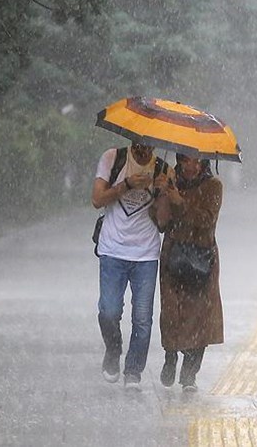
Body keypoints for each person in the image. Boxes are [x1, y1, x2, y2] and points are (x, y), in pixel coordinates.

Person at [91, 142, 171, 391]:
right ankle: (113, 349)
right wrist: (126, 185)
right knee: (109, 311)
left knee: (143, 318)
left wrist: (162, 193)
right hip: (113, 250)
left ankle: (134, 370)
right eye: (140, 143)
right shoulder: (113, 158)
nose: (145, 150)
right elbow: (97, 199)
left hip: (145, 253)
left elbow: (164, 222)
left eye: (150, 145)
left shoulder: (163, 168)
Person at [153, 153, 224, 392]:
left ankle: (189, 373)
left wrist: (179, 200)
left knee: (200, 317)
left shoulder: (213, 186)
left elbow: (206, 219)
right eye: (185, 160)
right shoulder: (170, 180)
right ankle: (170, 356)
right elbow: (160, 223)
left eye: (196, 161)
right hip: (174, 255)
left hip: (202, 257)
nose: (190, 166)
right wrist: (162, 194)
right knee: (172, 311)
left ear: (204, 162)